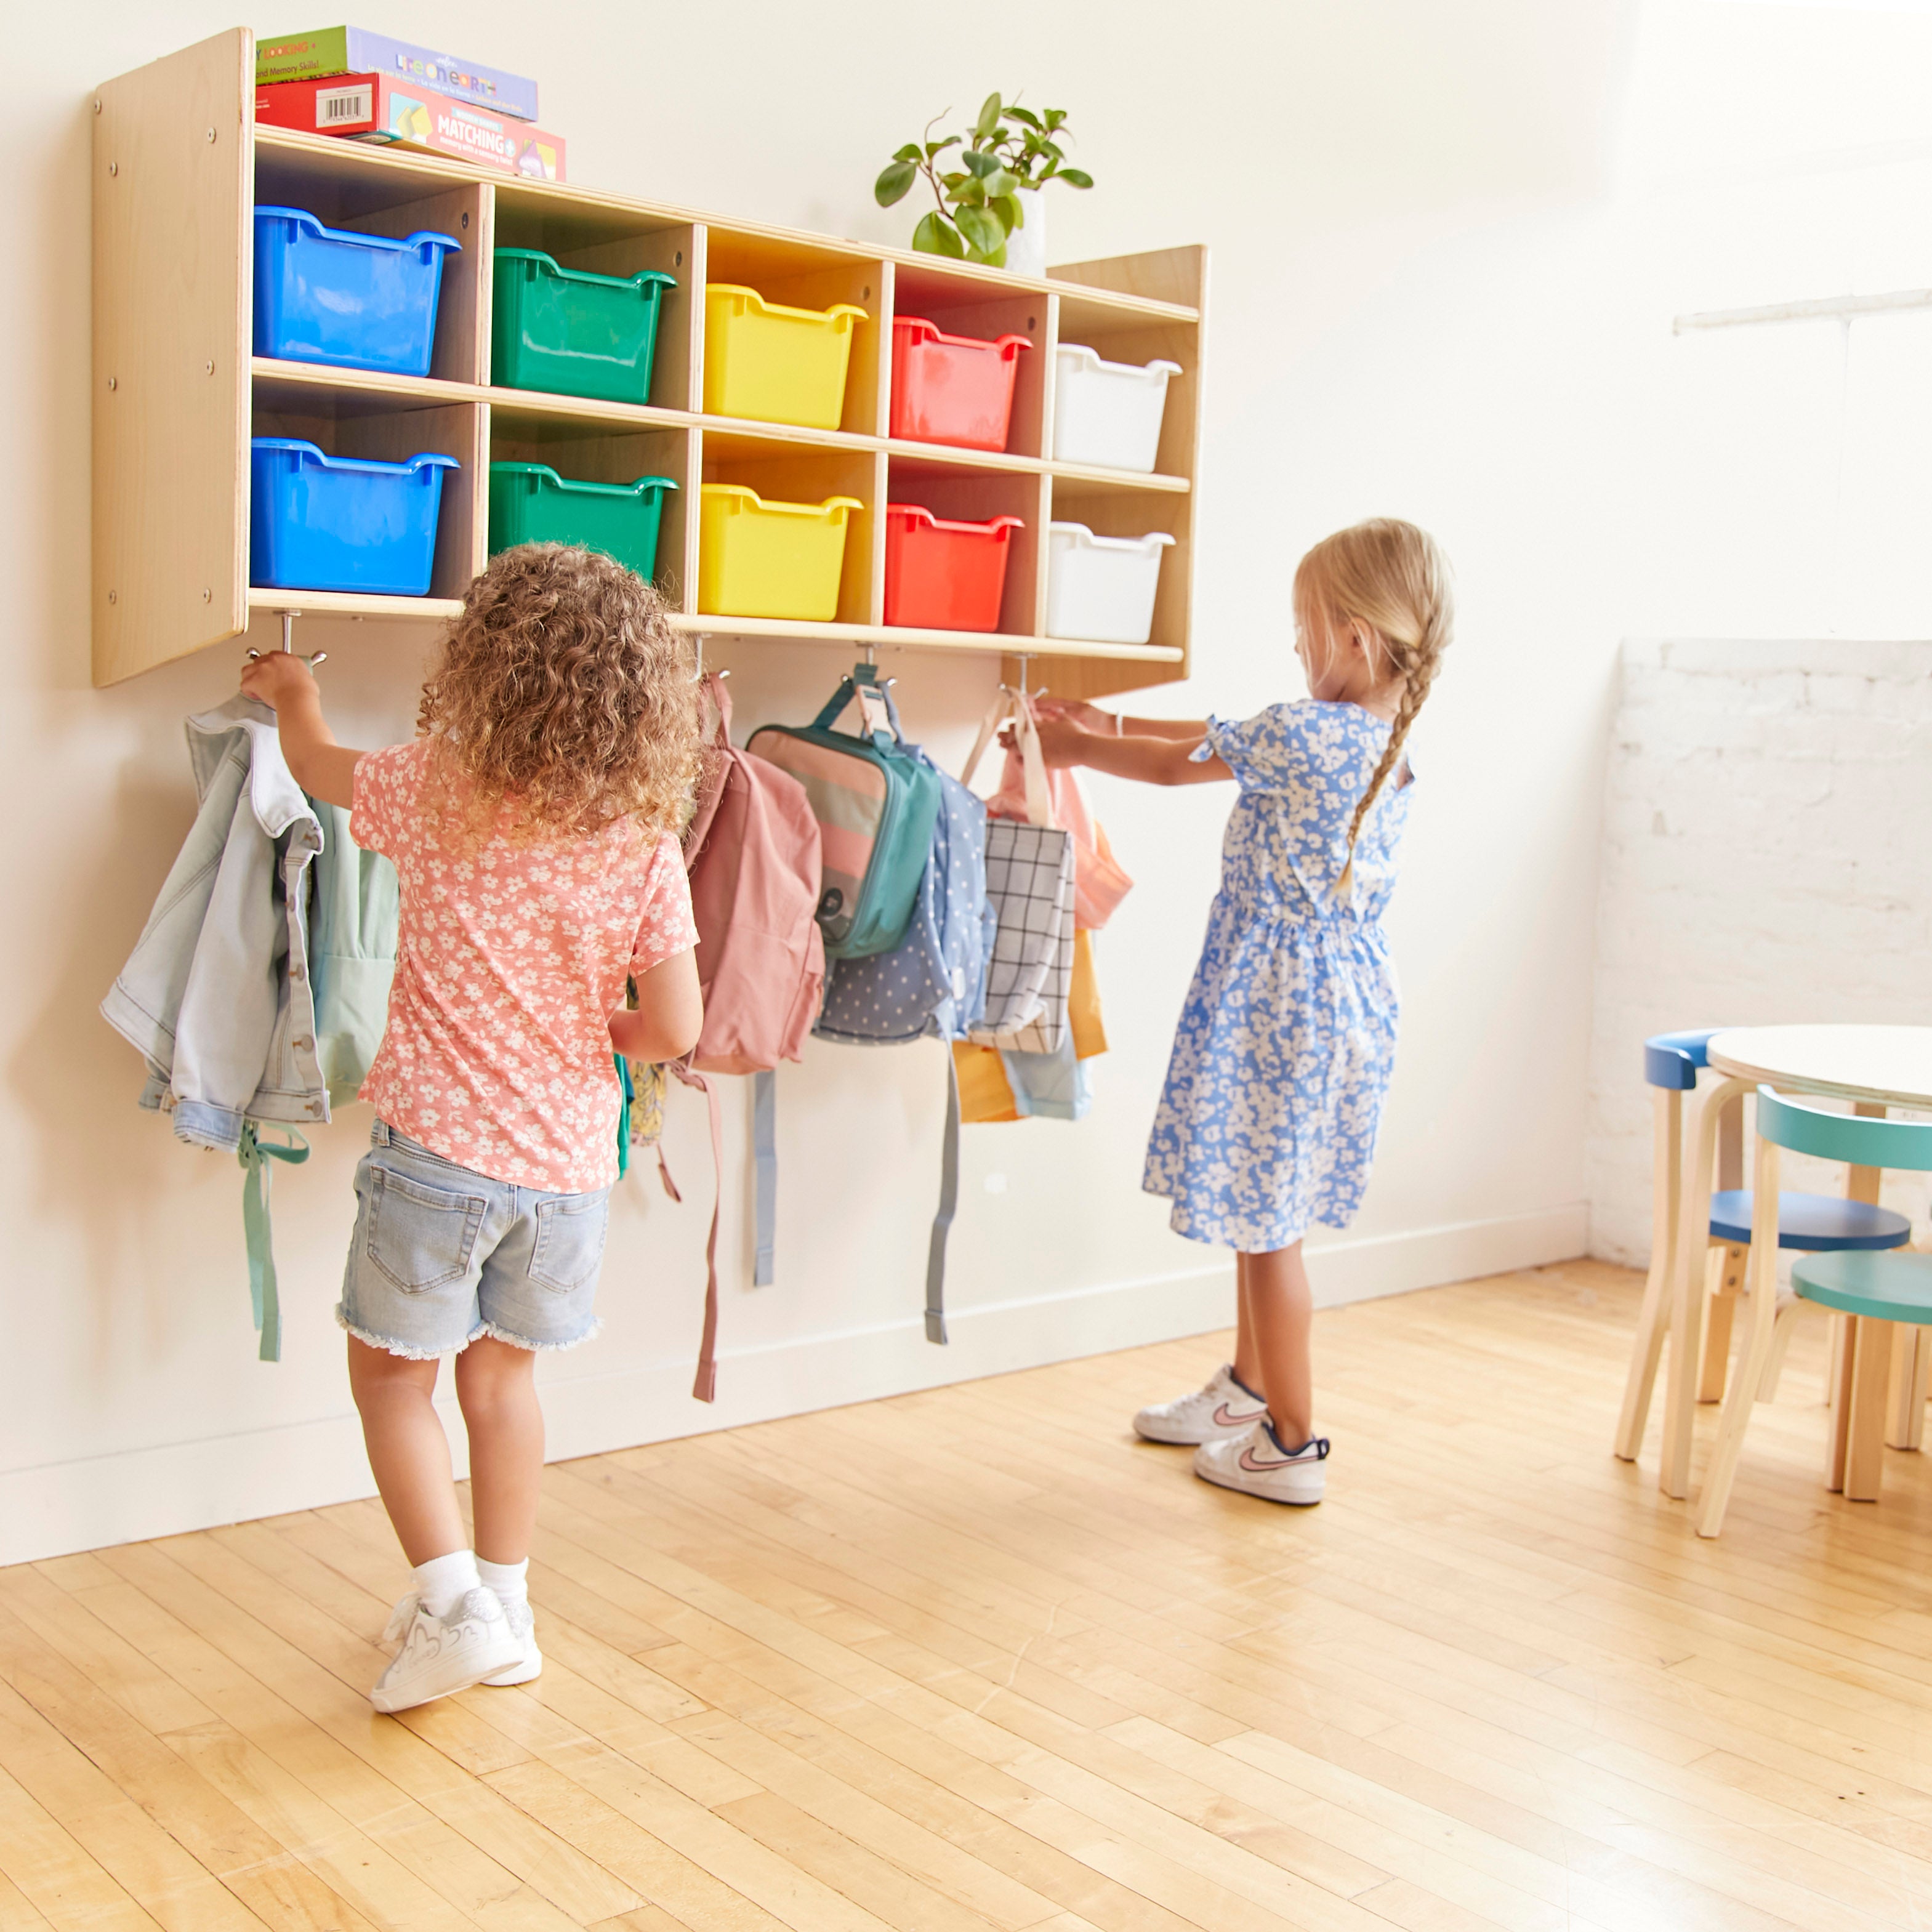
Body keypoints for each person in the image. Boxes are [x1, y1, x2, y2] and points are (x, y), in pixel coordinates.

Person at [240, 546, 704, 1709]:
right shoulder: (644, 843)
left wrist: (292, 688)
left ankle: (454, 1611)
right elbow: (674, 1026)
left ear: (485, 670)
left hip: (438, 1159)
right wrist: (595, 1023)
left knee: (394, 1384)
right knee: (501, 1388)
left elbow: (315, 767)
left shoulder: (435, 787)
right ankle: (507, 1606)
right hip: (566, 1175)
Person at [1031, 518, 1452, 1505]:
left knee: (1268, 1229)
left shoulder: (1307, 733)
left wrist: (1074, 745)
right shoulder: (1376, 738)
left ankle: (1291, 1444)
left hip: (1281, 1007)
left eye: (1305, 628)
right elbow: (1219, 734)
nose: (1296, 646)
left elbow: (1179, 763)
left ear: (1354, 636)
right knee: (1265, 1208)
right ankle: (1249, 1391)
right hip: (1335, 1001)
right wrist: (1104, 722)